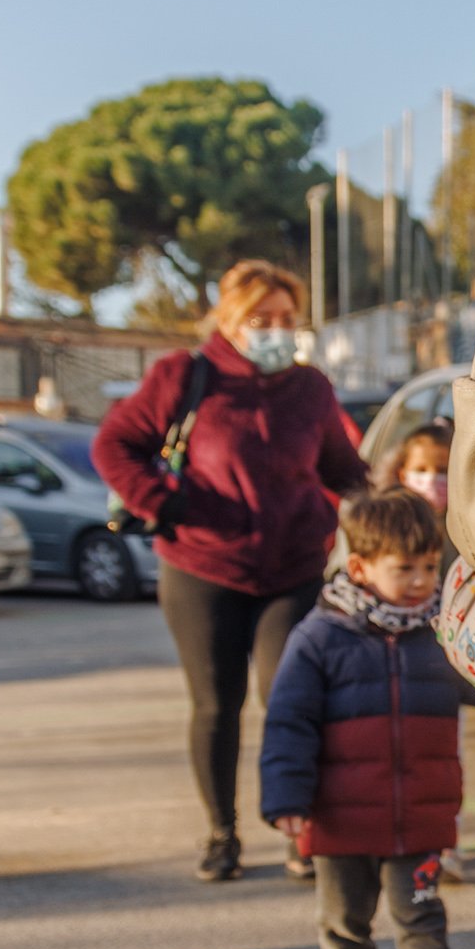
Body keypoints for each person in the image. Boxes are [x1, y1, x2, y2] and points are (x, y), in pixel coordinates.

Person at [94, 260, 371, 884]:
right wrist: (162, 503)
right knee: (217, 705)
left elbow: (344, 470)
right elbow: (113, 445)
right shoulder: (185, 376)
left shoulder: (311, 389)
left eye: (286, 319)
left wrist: (393, 505)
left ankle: (299, 832)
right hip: (202, 568)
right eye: (260, 319)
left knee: (291, 699)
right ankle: (222, 832)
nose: (275, 330)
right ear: (229, 319)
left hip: (293, 568)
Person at [257, 487, 475, 949]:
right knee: (345, 916)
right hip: (340, 815)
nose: (420, 580)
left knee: (421, 913)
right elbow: (288, 721)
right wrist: (286, 800)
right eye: (404, 569)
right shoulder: (320, 636)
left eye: (427, 566)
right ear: (360, 567)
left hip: (420, 810)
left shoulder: (443, 632)